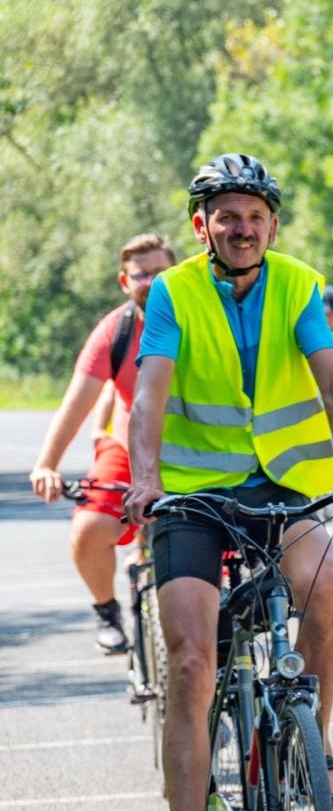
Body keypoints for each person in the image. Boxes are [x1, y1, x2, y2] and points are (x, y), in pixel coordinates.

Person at [124, 153, 333, 811]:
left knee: (325, 582)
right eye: (227, 216)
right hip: (192, 494)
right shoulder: (175, 292)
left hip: (286, 483)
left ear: (271, 224)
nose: (242, 229)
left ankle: (319, 745)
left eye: (254, 216)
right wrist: (145, 475)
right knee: (189, 660)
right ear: (202, 226)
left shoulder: (297, 284)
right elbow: (149, 390)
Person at [30, 234, 177, 655]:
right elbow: (75, 404)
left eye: (161, 272)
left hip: (198, 447)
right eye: (141, 274)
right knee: (89, 527)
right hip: (132, 446)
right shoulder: (115, 330)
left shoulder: (202, 318)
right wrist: (46, 464)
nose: (151, 281)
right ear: (124, 281)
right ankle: (107, 611)